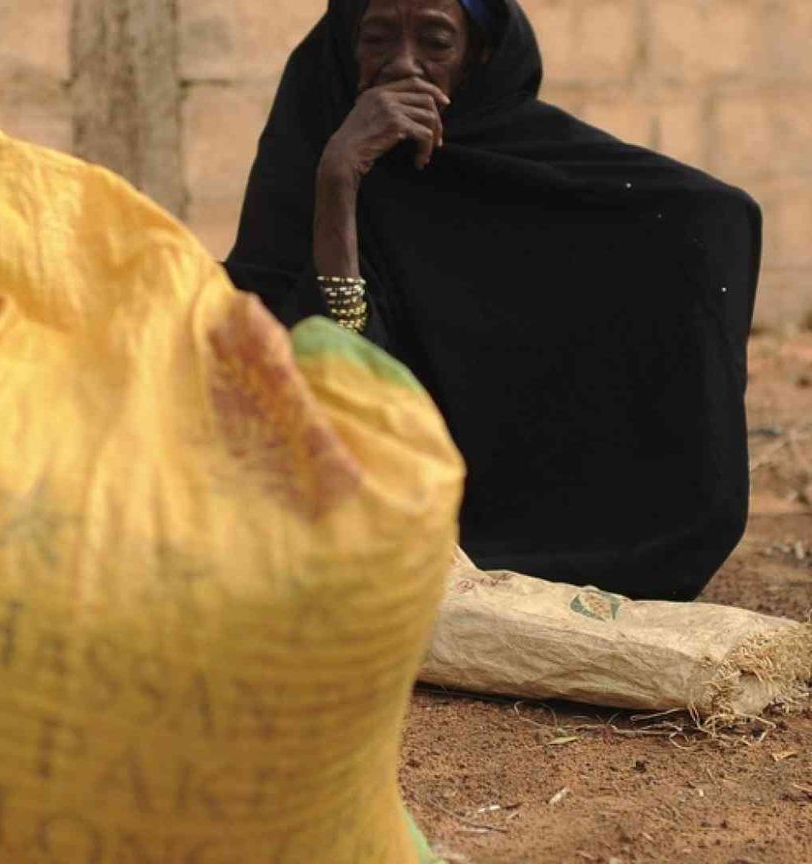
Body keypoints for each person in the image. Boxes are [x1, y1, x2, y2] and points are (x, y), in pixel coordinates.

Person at [223, 0, 761, 601]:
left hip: (515, 490)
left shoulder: (531, 165)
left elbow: (713, 219)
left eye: (436, 42)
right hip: (362, 481)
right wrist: (338, 181)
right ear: (346, 48)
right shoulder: (313, 152)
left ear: (478, 53)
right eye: (377, 39)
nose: (404, 66)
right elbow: (314, 357)